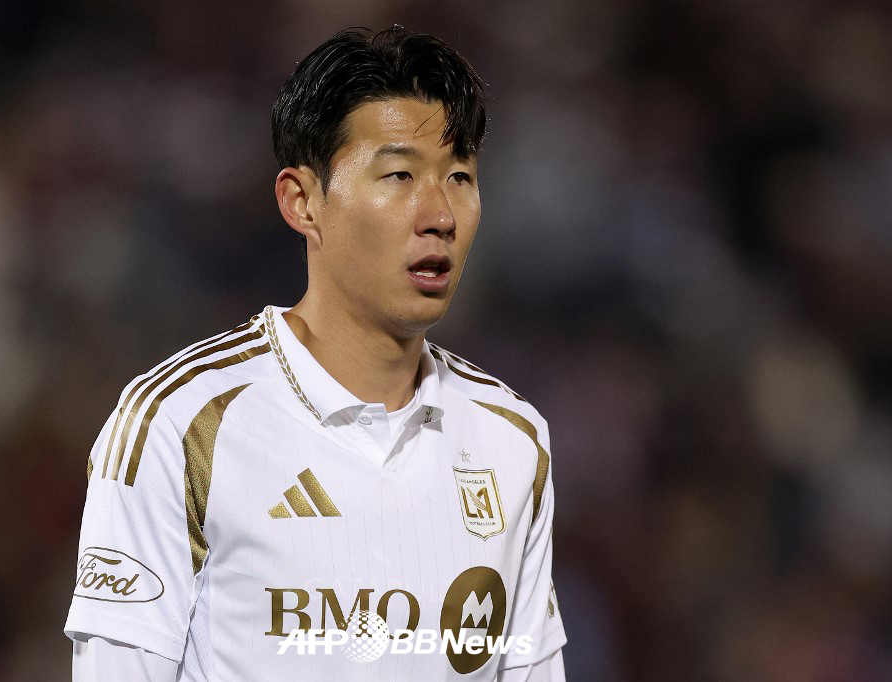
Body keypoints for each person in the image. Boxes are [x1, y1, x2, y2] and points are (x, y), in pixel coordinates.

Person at [65, 26, 566, 681]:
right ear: (302, 202)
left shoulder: (512, 439)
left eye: (459, 176)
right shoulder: (179, 424)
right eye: (399, 175)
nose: (440, 214)